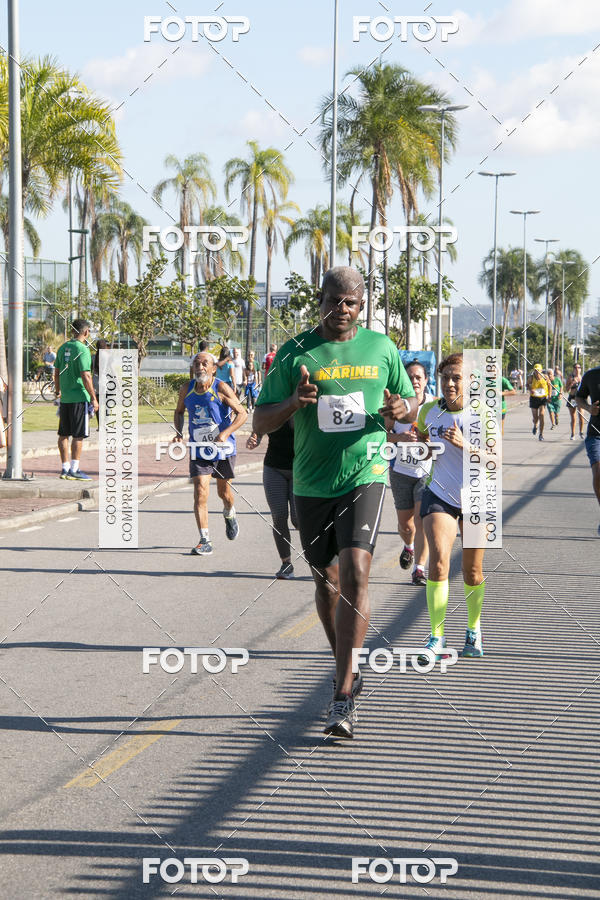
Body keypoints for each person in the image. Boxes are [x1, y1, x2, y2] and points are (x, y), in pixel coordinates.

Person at [254, 266, 417, 739]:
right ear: (319, 300)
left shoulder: (382, 349)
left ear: (361, 305)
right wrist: (293, 403)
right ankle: (345, 663)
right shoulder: (293, 352)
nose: (341, 310)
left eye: (351, 302)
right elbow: (261, 422)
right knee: (326, 584)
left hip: (365, 475)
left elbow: (406, 405)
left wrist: (399, 410)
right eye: (333, 300)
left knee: (357, 573)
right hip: (310, 482)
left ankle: (343, 694)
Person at [414, 353, 487, 660]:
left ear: (470, 380)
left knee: (472, 572)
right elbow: (420, 440)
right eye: (445, 377)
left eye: (456, 377)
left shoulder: (483, 414)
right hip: (439, 493)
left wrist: (464, 445)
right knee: (439, 563)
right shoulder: (429, 410)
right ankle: (436, 637)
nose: (449, 383)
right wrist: (423, 448)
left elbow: (495, 460)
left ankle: (473, 629)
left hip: (476, 496)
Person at [173, 352, 247, 555]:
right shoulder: (186, 389)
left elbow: (243, 413)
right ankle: (205, 539)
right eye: (196, 364)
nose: (200, 367)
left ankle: (229, 512)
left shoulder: (221, 387)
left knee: (224, 494)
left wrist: (225, 433)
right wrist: (178, 433)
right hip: (199, 449)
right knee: (200, 491)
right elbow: (179, 412)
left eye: (205, 364)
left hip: (224, 449)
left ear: (214, 368)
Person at [384, 360, 435, 586]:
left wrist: (430, 440)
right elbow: (381, 435)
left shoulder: (436, 405)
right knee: (406, 526)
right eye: (410, 377)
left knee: (421, 519)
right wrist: (399, 438)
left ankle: (419, 569)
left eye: (418, 377)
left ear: (426, 380)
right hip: (400, 470)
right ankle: (409, 546)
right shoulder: (395, 405)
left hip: (427, 471)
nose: (414, 381)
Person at [247, 420, 297, 579]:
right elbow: (261, 425)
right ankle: (286, 564)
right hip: (274, 467)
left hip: (301, 468)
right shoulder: (272, 400)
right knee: (279, 515)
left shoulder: (307, 401)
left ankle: (323, 560)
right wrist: (255, 437)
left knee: (299, 520)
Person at [54, 319, 98, 480]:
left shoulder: (62, 347)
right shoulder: (83, 349)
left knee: (63, 434)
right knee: (78, 435)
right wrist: (94, 398)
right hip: (80, 397)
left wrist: (58, 391)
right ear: (86, 332)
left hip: (65, 398)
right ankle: (74, 469)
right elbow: (86, 375)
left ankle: (65, 469)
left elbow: (57, 371)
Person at [576, 366, 600, 535]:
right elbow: (579, 397)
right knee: (598, 474)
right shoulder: (591, 375)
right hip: (596, 434)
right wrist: (589, 408)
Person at [528, 363, 551, 441]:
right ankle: (535, 425)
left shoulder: (545, 377)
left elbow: (550, 386)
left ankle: (541, 434)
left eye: (538, 370)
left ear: (541, 370)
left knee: (541, 415)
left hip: (542, 398)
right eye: (535, 370)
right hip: (534, 398)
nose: (537, 372)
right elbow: (527, 384)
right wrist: (531, 389)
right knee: (535, 418)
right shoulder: (531, 377)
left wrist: (549, 396)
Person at [92, 339, 110, 430]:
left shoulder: (93, 357)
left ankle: (100, 426)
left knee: (98, 405)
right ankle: (106, 424)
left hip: (95, 382)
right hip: (105, 382)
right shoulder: (107, 356)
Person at [566, 363, 585, 440]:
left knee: (581, 416)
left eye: (579, 367)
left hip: (581, 398)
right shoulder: (571, 377)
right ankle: (573, 434)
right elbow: (566, 389)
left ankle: (581, 432)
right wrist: (571, 384)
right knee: (573, 417)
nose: (577, 369)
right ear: (573, 369)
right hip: (573, 398)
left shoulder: (583, 377)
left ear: (580, 369)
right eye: (575, 367)